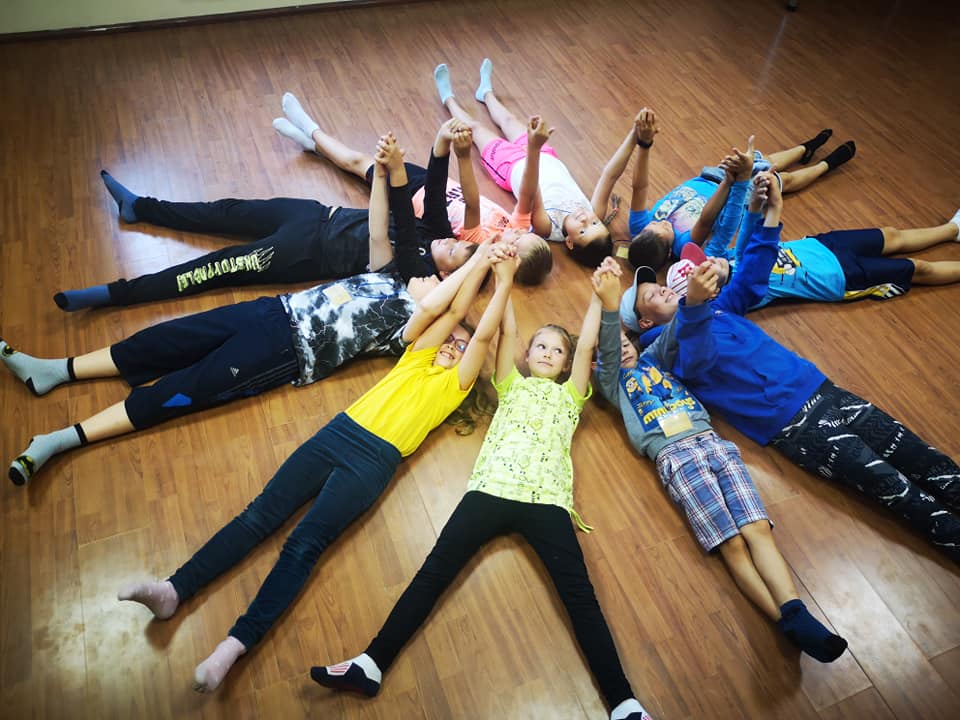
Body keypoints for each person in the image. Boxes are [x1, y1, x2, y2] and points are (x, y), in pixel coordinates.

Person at [116, 237, 518, 693]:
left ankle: (234, 644)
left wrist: (503, 281)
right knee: (257, 516)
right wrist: (481, 260)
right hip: (337, 433)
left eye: (462, 347)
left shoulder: (456, 386)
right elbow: (448, 311)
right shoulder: (416, 357)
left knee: (303, 545)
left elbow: (482, 336)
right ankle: (173, 589)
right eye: (451, 340)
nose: (455, 346)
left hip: (373, 462)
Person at [2, 140, 463, 485]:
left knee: (178, 390)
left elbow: (447, 304)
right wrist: (387, 172)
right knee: (166, 340)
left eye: (442, 275)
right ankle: (56, 370)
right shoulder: (387, 271)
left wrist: (480, 266)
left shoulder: (410, 329)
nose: (429, 275)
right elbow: (387, 227)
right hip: (274, 311)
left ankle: (60, 440)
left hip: (284, 354)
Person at [310, 267, 654, 720]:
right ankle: (371, 663)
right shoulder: (509, 384)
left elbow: (587, 345)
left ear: (567, 365)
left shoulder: (572, 395)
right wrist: (503, 278)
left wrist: (596, 298)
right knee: (433, 573)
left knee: (580, 597)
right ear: (527, 355)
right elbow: (505, 330)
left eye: (558, 350)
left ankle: (624, 703)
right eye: (541, 346)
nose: (548, 353)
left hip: (546, 501)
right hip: (488, 492)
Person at [620, 172, 960, 563]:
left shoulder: (715, 308)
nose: (663, 287)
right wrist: (693, 307)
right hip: (796, 425)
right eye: (651, 295)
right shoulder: (667, 355)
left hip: (822, 389)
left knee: (918, 454)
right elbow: (699, 359)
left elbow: (752, 276)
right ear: (645, 322)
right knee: (897, 491)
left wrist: (770, 214)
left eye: (658, 284)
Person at [593, 257, 847, 662]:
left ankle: (796, 612)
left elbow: (678, 325)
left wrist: (692, 297)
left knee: (758, 527)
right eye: (612, 347)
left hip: (713, 442)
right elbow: (608, 352)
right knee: (731, 544)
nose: (621, 347)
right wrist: (607, 310)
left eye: (625, 341)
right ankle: (784, 622)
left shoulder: (655, 357)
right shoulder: (612, 383)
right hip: (675, 455)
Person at [53, 129, 477, 311]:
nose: (450, 242)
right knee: (223, 211)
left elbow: (387, 219)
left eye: (454, 254)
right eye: (458, 242)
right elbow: (435, 184)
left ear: (445, 274)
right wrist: (446, 139)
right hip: (312, 213)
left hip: (302, 252)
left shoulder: (415, 270)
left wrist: (388, 173)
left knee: (210, 269)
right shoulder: (438, 232)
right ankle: (140, 207)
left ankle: (114, 294)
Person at [274, 93, 554, 285]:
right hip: (436, 186)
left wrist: (463, 157)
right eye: (524, 233)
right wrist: (532, 148)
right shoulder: (514, 227)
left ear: (510, 256)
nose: (519, 231)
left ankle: (311, 130)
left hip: (414, 198)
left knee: (357, 162)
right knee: (360, 162)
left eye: (518, 240)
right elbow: (525, 196)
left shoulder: (479, 246)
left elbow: (472, 203)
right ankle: (312, 144)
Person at [432, 58, 640, 267]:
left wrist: (533, 149)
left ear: (569, 242)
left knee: (475, 129)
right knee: (509, 120)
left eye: (583, 230)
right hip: (544, 154)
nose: (586, 219)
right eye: (595, 222)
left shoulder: (546, 228)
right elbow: (610, 175)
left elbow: (530, 189)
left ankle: (448, 99)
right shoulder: (592, 210)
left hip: (513, 165)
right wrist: (634, 135)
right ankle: (486, 93)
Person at [626, 106, 856, 272]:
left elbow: (639, 187)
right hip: (731, 192)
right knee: (783, 180)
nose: (661, 223)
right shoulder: (682, 245)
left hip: (710, 176)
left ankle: (805, 148)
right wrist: (730, 180)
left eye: (653, 225)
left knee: (765, 158)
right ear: (669, 252)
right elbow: (706, 220)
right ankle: (827, 165)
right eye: (664, 230)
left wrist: (644, 144)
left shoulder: (639, 228)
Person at [693, 189, 960, 307]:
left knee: (892, 235)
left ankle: (952, 229)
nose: (708, 262)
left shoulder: (731, 258)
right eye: (706, 272)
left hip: (821, 244)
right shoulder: (745, 292)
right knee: (918, 268)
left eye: (702, 264)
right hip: (841, 276)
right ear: (713, 292)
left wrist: (756, 200)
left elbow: (748, 230)